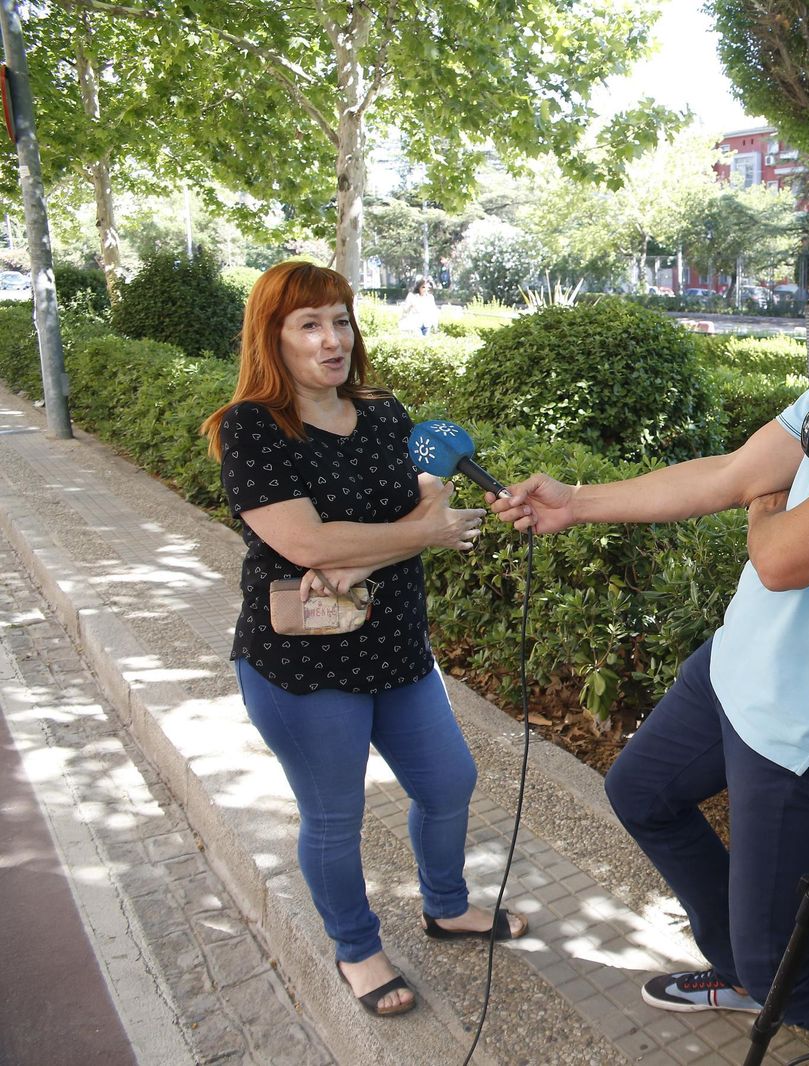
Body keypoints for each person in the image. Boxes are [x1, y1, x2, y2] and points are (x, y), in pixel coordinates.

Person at [488, 171, 809, 1050]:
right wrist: (575, 500)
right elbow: (730, 470)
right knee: (641, 791)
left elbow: (781, 554)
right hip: (734, 671)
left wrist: (764, 504)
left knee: (794, 964)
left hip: (806, 722)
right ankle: (751, 977)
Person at [200, 262, 527, 1018]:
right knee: (335, 817)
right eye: (309, 324)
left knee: (448, 783)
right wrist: (367, 547)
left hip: (397, 651)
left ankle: (446, 908)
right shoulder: (252, 426)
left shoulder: (383, 411)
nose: (331, 338)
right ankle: (356, 948)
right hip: (302, 665)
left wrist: (358, 553)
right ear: (272, 338)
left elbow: (427, 504)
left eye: (341, 319)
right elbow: (313, 543)